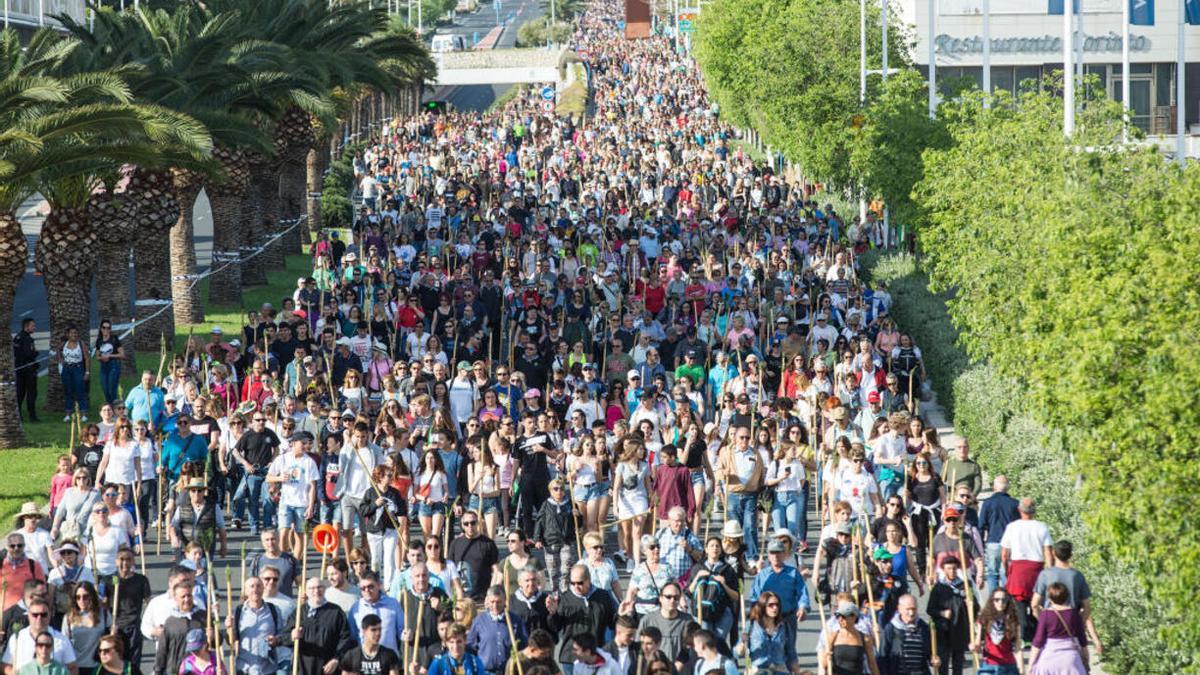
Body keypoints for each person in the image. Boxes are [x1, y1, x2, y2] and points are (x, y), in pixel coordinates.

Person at [1029, 540, 1101, 654]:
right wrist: (1079, 623)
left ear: (1053, 553)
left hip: (1050, 621)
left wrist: (1042, 618)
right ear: (1071, 555)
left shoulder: (1045, 574)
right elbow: (1087, 607)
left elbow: (1034, 604)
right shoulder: (1077, 576)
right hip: (1072, 620)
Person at [546, 565, 618, 675]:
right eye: (572, 583)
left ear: (589, 580)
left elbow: (612, 623)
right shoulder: (565, 599)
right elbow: (556, 627)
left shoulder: (602, 596)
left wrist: (622, 614)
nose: (576, 586)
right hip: (571, 657)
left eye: (579, 583)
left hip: (595, 655)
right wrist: (553, 613)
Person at [998, 498, 1052, 642]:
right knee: (1037, 603)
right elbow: (1048, 553)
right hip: (1036, 569)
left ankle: (1024, 635)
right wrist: (1049, 572)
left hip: (1018, 568)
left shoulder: (1012, 527)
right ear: (1034, 511)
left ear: (1019, 510)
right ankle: (1037, 634)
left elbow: (1004, 554)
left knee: (1019, 604)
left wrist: (1006, 569)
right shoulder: (1042, 527)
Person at [266, 432, 319, 558]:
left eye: (307, 443)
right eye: (303, 443)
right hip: (286, 502)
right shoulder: (283, 458)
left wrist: (311, 507)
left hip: (302, 503)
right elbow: (268, 477)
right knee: (283, 532)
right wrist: (279, 478)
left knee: (299, 534)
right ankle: (284, 559)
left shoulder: (309, 462)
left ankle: (295, 562)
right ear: (294, 443)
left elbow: (312, 486)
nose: (305, 446)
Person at [747, 538, 810, 641]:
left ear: (784, 554)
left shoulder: (794, 573)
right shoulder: (762, 575)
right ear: (768, 555)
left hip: (788, 618)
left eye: (778, 552)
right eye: (772, 553)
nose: (775, 556)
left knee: (789, 652)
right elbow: (754, 598)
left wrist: (803, 607)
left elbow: (802, 593)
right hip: (768, 619)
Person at [289, 577, 354, 675]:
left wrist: (336, 659)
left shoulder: (336, 612)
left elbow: (345, 638)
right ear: (306, 592)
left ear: (324, 589)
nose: (316, 591)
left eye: (319, 587)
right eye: (312, 588)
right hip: (303, 669)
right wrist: (292, 636)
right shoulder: (299, 612)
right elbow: (284, 636)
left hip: (328, 668)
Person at [926, 556, 974, 675]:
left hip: (959, 629)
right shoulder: (938, 587)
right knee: (943, 662)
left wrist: (971, 604)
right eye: (948, 568)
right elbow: (930, 609)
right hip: (943, 630)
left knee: (958, 664)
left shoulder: (965, 586)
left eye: (954, 568)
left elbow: (974, 609)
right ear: (943, 569)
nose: (952, 571)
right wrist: (941, 613)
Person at [228, 576, 286, 675]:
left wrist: (276, 640)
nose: (255, 590)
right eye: (252, 586)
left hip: (268, 669)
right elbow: (231, 640)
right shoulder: (238, 612)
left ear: (263, 589)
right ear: (246, 591)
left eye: (259, 586)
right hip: (245, 669)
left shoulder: (274, 610)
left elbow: (282, 634)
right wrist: (229, 628)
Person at [1, 599, 75, 675]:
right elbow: (5, 665)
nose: (39, 618)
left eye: (43, 615)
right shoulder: (17, 638)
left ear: (49, 615)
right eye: (35, 615)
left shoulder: (62, 640)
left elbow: (73, 668)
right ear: (28, 616)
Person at [1027, 582, 1088, 675]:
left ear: (1049, 598)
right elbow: (1082, 639)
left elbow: (1038, 641)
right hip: (1071, 660)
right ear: (1067, 596)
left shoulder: (1045, 615)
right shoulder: (1074, 614)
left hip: (1048, 659)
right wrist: (1086, 660)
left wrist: (1031, 665)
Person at [467, 586, 526, 675]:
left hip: (508, 671)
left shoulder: (515, 620)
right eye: (492, 602)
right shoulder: (479, 620)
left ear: (505, 601)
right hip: (485, 671)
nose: (495, 606)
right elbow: (471, 646)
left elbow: (523, 645)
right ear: (487, 600)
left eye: (498, 602)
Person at [532, 480, 577, 593]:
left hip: (566, 540)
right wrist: (537, 539)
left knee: (566, 568)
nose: (559, 491)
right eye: (555, 489)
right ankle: (555, 592)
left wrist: (578, 515)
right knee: (552, 571)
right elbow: (539, 521)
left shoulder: (570, 503)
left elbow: (578, 523)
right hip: (550, 541)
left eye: (561, 488)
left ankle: (565, 590)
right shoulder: (546, 504)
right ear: (550, 491)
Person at [111, 548, 151, 673]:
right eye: (122, 559)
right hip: (116, 627)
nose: (125, 563)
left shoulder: (141, 580)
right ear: (116, 561)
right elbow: (102, 604)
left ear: (133, 561)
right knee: (117, 662)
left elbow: (149, 602)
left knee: (133, 664)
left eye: (128, 559)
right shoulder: (110, 580)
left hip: (134, 627)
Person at [154, 581, 206, 675]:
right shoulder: (171, 622)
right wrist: (158, 671)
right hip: (175, 670)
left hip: (198, 670)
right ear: (176, 598)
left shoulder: (203, 617)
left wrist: (213, 635)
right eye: (183, 596)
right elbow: (162, 650)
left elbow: (216, 643)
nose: (187, 599)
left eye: (189, 595)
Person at [634, 582, 693, 662]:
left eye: (676, 597)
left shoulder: (687, 620)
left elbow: (691, 649)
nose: (672, 600)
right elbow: (638, 647)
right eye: (668, 597)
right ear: (660, 598)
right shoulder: (647, 620)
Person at [877, 594, 935, 675]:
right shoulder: (891, 628)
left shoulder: (923, 627)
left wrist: (934, 659)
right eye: (908, 609)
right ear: (899, 609)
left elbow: (930, 653)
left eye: (914, 609)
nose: (911, 613)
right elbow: (883, 656)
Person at [739, 593, 797, 675]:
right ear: (763, 607)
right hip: (758, 670)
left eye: (777, 605)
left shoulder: (785, 627)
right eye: (771, 605)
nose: (775, 607)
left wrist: (797, 670)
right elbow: (737, 653)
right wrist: (742, 646)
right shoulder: (751, 626)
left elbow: (791, 652)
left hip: (779, 670)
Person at [447, 512, 499, 602]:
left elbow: (496, 571)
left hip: (482, 598)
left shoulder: (488, 544)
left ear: (478, 523)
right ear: (462, 526)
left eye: (473, 522)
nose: (470, 526)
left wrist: (490, 594)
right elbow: (449, 570)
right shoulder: (455, 543)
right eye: (466, 524)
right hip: (461, 599)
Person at [347, 573, 404, 654]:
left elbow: (401, 630)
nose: (367, 590)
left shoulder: (393, 604)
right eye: (363, 588)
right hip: (365, 661)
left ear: (379, 585)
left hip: (389, 659)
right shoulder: (356, 608)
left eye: (370, 586)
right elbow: (352, 637)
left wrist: (406, 635)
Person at [821, 601, 881, 675]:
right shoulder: (833, 636)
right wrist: (826, 656)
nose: (840, 619)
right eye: (838, 616)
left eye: (843, 616)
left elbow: (872, 664)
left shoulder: (865, 638)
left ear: (854, 617)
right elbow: (824, 665)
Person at [60, 582, 107, 672]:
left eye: (85, 597)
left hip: (98, 665)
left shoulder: (103, 614)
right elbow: (64, 644)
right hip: (75, 666)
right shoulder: (68, 618)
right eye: (78, 597)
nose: (81, 600)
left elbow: (111, 637)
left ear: (92, 596)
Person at [2, 534, 46, 613]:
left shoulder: (33, 565)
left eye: (20, 545)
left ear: (24, 546)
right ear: (7, 547)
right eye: (12, 546)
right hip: (4, 612)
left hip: (27, 612)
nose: (16, 548)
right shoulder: (1, 565)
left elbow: (42, 589)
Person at [14, 318, 39, 423]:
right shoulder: (27, 339)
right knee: (31, 393)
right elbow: (29, 353)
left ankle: (18, 415)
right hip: (28, 369)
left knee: (20, 393)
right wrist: (36, 353)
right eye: (32, 326)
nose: (34, 327)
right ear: (26, 326)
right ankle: (32, 416)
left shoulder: (17, 337)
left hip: (19, 368)